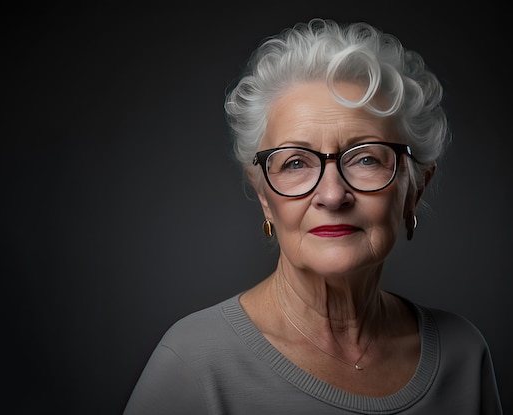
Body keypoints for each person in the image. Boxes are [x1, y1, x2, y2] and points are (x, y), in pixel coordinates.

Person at [123, 18, 503, 414]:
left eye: (366, 158)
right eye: (295, 163)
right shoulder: (192, 364)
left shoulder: (464, 354)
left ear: (415, 187)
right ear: (265, 197)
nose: (333, 194)